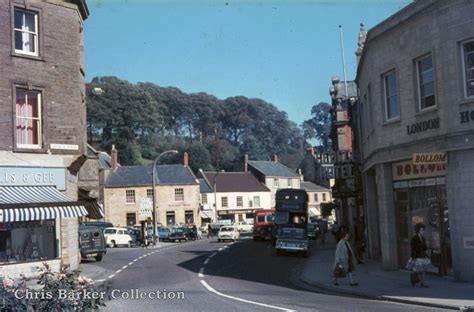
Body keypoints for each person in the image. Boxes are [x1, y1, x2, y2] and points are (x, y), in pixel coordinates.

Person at [410, 222, 431, 287]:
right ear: (418, 230)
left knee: (423, 270)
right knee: (417, 270)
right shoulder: (414, 238)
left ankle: (423, 283)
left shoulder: (423, 238)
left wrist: (427, 253)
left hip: (423, 256)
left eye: (423, 230)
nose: (423, 231)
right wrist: (414, 258)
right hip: (417, 256)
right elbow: (413, 249)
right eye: (421, 230)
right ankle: (414, 280)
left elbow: (424, 247)